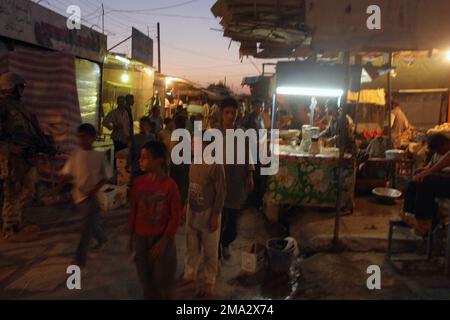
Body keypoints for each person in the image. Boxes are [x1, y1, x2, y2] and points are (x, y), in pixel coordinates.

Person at [0, 72, 54, 237]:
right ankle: (10, 228)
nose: (23, 90)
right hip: (11, 158)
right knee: (12, 192)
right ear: (11, 87)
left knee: (28, 189)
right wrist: (10, 148)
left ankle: (20, 220)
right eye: (20, 86)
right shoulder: (2, 107)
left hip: (26, 157)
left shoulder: (21, 107)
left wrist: (47, 146)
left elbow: (32, 133)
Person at [129, 141, 181, 300]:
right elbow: (134, 211)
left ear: (159, 160)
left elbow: (176, 216)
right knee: (145, 279)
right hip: (141, 238)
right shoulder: (138, 183)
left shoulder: (170, 186)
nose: (140, 160)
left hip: (160, 239)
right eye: (140, 157)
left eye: (145, 157)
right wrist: (131, 236)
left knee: (162, 280)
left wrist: (164, 240)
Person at [54, 124, 112, 267]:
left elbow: (106, 177)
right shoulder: (75, 155)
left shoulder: (99, 156)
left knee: (84, 231)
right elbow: (67, 175)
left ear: (92, 138)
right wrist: (56, 190)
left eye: (84, 137)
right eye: (79, 137)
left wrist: (94, 190)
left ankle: (79, 263)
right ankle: (103, 239)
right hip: (78, 197)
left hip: (90, 199)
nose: (81, 140)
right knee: (91, 225)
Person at [182, 134, 226, 297]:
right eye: (192, 143)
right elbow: (191, 187)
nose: (192, 146)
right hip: (192, 211)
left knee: (210, 248)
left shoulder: (216, 165)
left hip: (209, 212)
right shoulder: (193, 163)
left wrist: (215, 215)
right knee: (191, 244)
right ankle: (190, 272)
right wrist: (186, 205)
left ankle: (209, 279)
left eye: (196, 143)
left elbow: (221, 193)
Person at [219, 97, 254, 260]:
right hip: (218, 185)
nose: (230, 116)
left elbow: (249, 157)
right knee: (218, 220)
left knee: (232, 226)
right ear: (221, 114)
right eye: (227, 112)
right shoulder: (213, 135)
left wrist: (250, 176)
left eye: (233, 113)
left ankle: (225, 243)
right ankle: (218, 247)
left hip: (235, 183)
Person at [402, 134, 450, 235]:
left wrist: (430, 172)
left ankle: (424, 222)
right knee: (414, 182)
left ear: (445, 143)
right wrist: (424, 171)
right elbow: (432, 167)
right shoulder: (438, 155)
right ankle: (409, 214)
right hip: (441, 179)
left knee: (426, 182)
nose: (439, 152)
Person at [169, 115, 190, 211]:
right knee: (182, 186)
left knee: (176, 185)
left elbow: (172, 149)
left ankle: (176, 207)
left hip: (177, 165)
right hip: (184, 164)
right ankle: (179, 207)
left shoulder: (176, 134)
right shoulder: (187, 133)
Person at [130, 117, 156, 182]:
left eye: (144, 124)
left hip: (148, 166)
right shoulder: (135, 137)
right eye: (141, 125)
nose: (142, 126)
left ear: (149, 126)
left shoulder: (152, 137)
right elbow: (131, 152)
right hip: (137, 166)